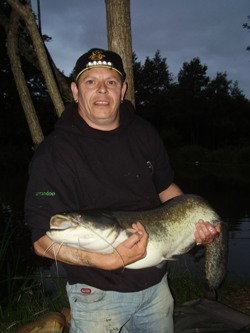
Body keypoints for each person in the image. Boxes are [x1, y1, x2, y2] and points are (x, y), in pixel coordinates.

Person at [25, 48, 220, 333]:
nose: (102, 90)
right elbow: (42, 240)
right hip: (97, 295)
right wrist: (108, 260)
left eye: (111, 82)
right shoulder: (55, 154)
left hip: (156, 289)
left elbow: (165, 188)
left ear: (123, 89)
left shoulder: (144, 133)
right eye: (91, 81)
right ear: (75, 91)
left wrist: (197, 223)